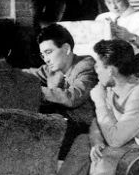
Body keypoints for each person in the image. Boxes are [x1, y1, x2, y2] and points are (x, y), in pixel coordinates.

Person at [57, 39, 139, 175]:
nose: (95, 69)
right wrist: (96, 140)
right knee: (83, 141)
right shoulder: (111, 88)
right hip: (136, 143)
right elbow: (97, 122)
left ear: (110, 70)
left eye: (98, 65)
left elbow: (115, 140)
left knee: (106, 156)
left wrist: (100, 102)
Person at [23, 23, 98, 159]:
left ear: (66, 48)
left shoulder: (86, 66)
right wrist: (5, 75)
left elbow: (72, 98)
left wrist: (35, 90)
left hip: (86, 129)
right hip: (65, 125)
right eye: (42, 55)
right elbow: (28, 75)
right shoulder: (51, 68)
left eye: (49, 52)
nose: (46, 59)